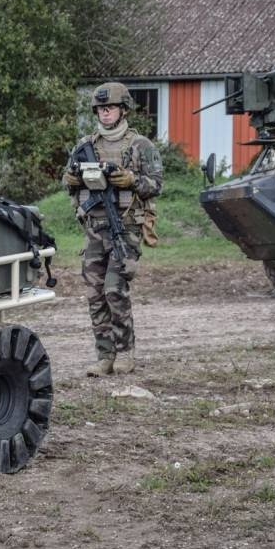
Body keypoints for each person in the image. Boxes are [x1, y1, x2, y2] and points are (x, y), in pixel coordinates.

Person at [63, 82, 163, 377]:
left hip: (125, 228)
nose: (105, 114)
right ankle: (104, 355)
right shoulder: (86, 145)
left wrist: (132, 180)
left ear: (122, 110)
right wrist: (70, 179)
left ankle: (125, 352)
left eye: (110, 109)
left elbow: (156, 184)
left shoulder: (140, 145)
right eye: (101, 109)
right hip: (94, 228)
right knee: (95, 294)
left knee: (114, 290)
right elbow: (68, 178)